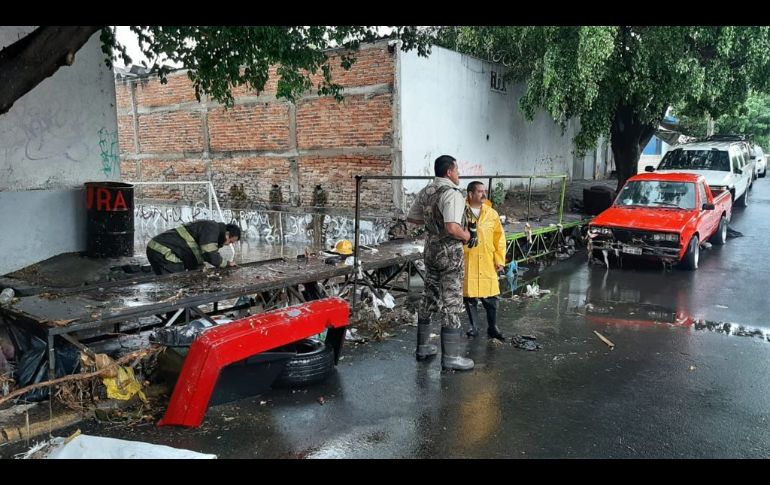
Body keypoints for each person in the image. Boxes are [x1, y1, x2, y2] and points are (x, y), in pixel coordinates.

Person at [407, 155, 475, 371]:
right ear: (449, 172)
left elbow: (412, 218)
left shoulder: (426, 191)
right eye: (457, 170)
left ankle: (423, 347)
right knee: (452, 300)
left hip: (431, 250)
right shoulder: (452, 194)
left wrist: (432, 222)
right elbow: (452, 228)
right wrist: (467, 236)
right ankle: (451, 358)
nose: (459, 174)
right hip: (449, 253)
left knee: (430, 295)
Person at [463, 181, 506, 341]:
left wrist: (499, 259)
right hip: (468, 259)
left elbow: (499, 238)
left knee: (491, 297)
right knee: (469, 296)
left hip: (487, 259)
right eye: (480, 191)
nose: (484, 194)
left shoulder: (491, 213)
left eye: (484, 191)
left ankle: (493, 327)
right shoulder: (461, 212)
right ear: (470, 194)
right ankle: (473, 327)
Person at [146, 220, 241, 275]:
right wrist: (227, 264)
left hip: (156, 248)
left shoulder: (210, 229)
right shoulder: (212, 228)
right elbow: (209, 254)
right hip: (163, 250)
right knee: (175, 282)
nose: (228, 244)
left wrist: (201, 268)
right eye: (230, 241)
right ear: (227, 234)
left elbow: (194, 253)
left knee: (165, 284)